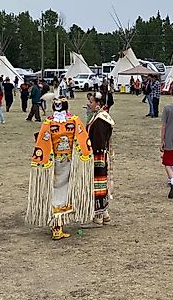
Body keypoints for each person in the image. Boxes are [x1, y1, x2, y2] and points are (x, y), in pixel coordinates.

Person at [25, 98, 94, 240]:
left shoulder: (48, 122)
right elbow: (83, 139)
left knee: (56, 190)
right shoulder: (74, 120)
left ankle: (56, 224)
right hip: (68, 162)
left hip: (54, 162)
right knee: (62, 191)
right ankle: (57, 225)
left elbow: (41, 141)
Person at [87, 92, 115, 225]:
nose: (89, 104)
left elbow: (98, 142)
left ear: (98, 103)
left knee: (98, 184)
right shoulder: (100, 117)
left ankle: (98, 215)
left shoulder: (100, 120)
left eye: (91, 102)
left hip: (98, 156)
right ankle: (104, 213)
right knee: (101, 184)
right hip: (100, 155)